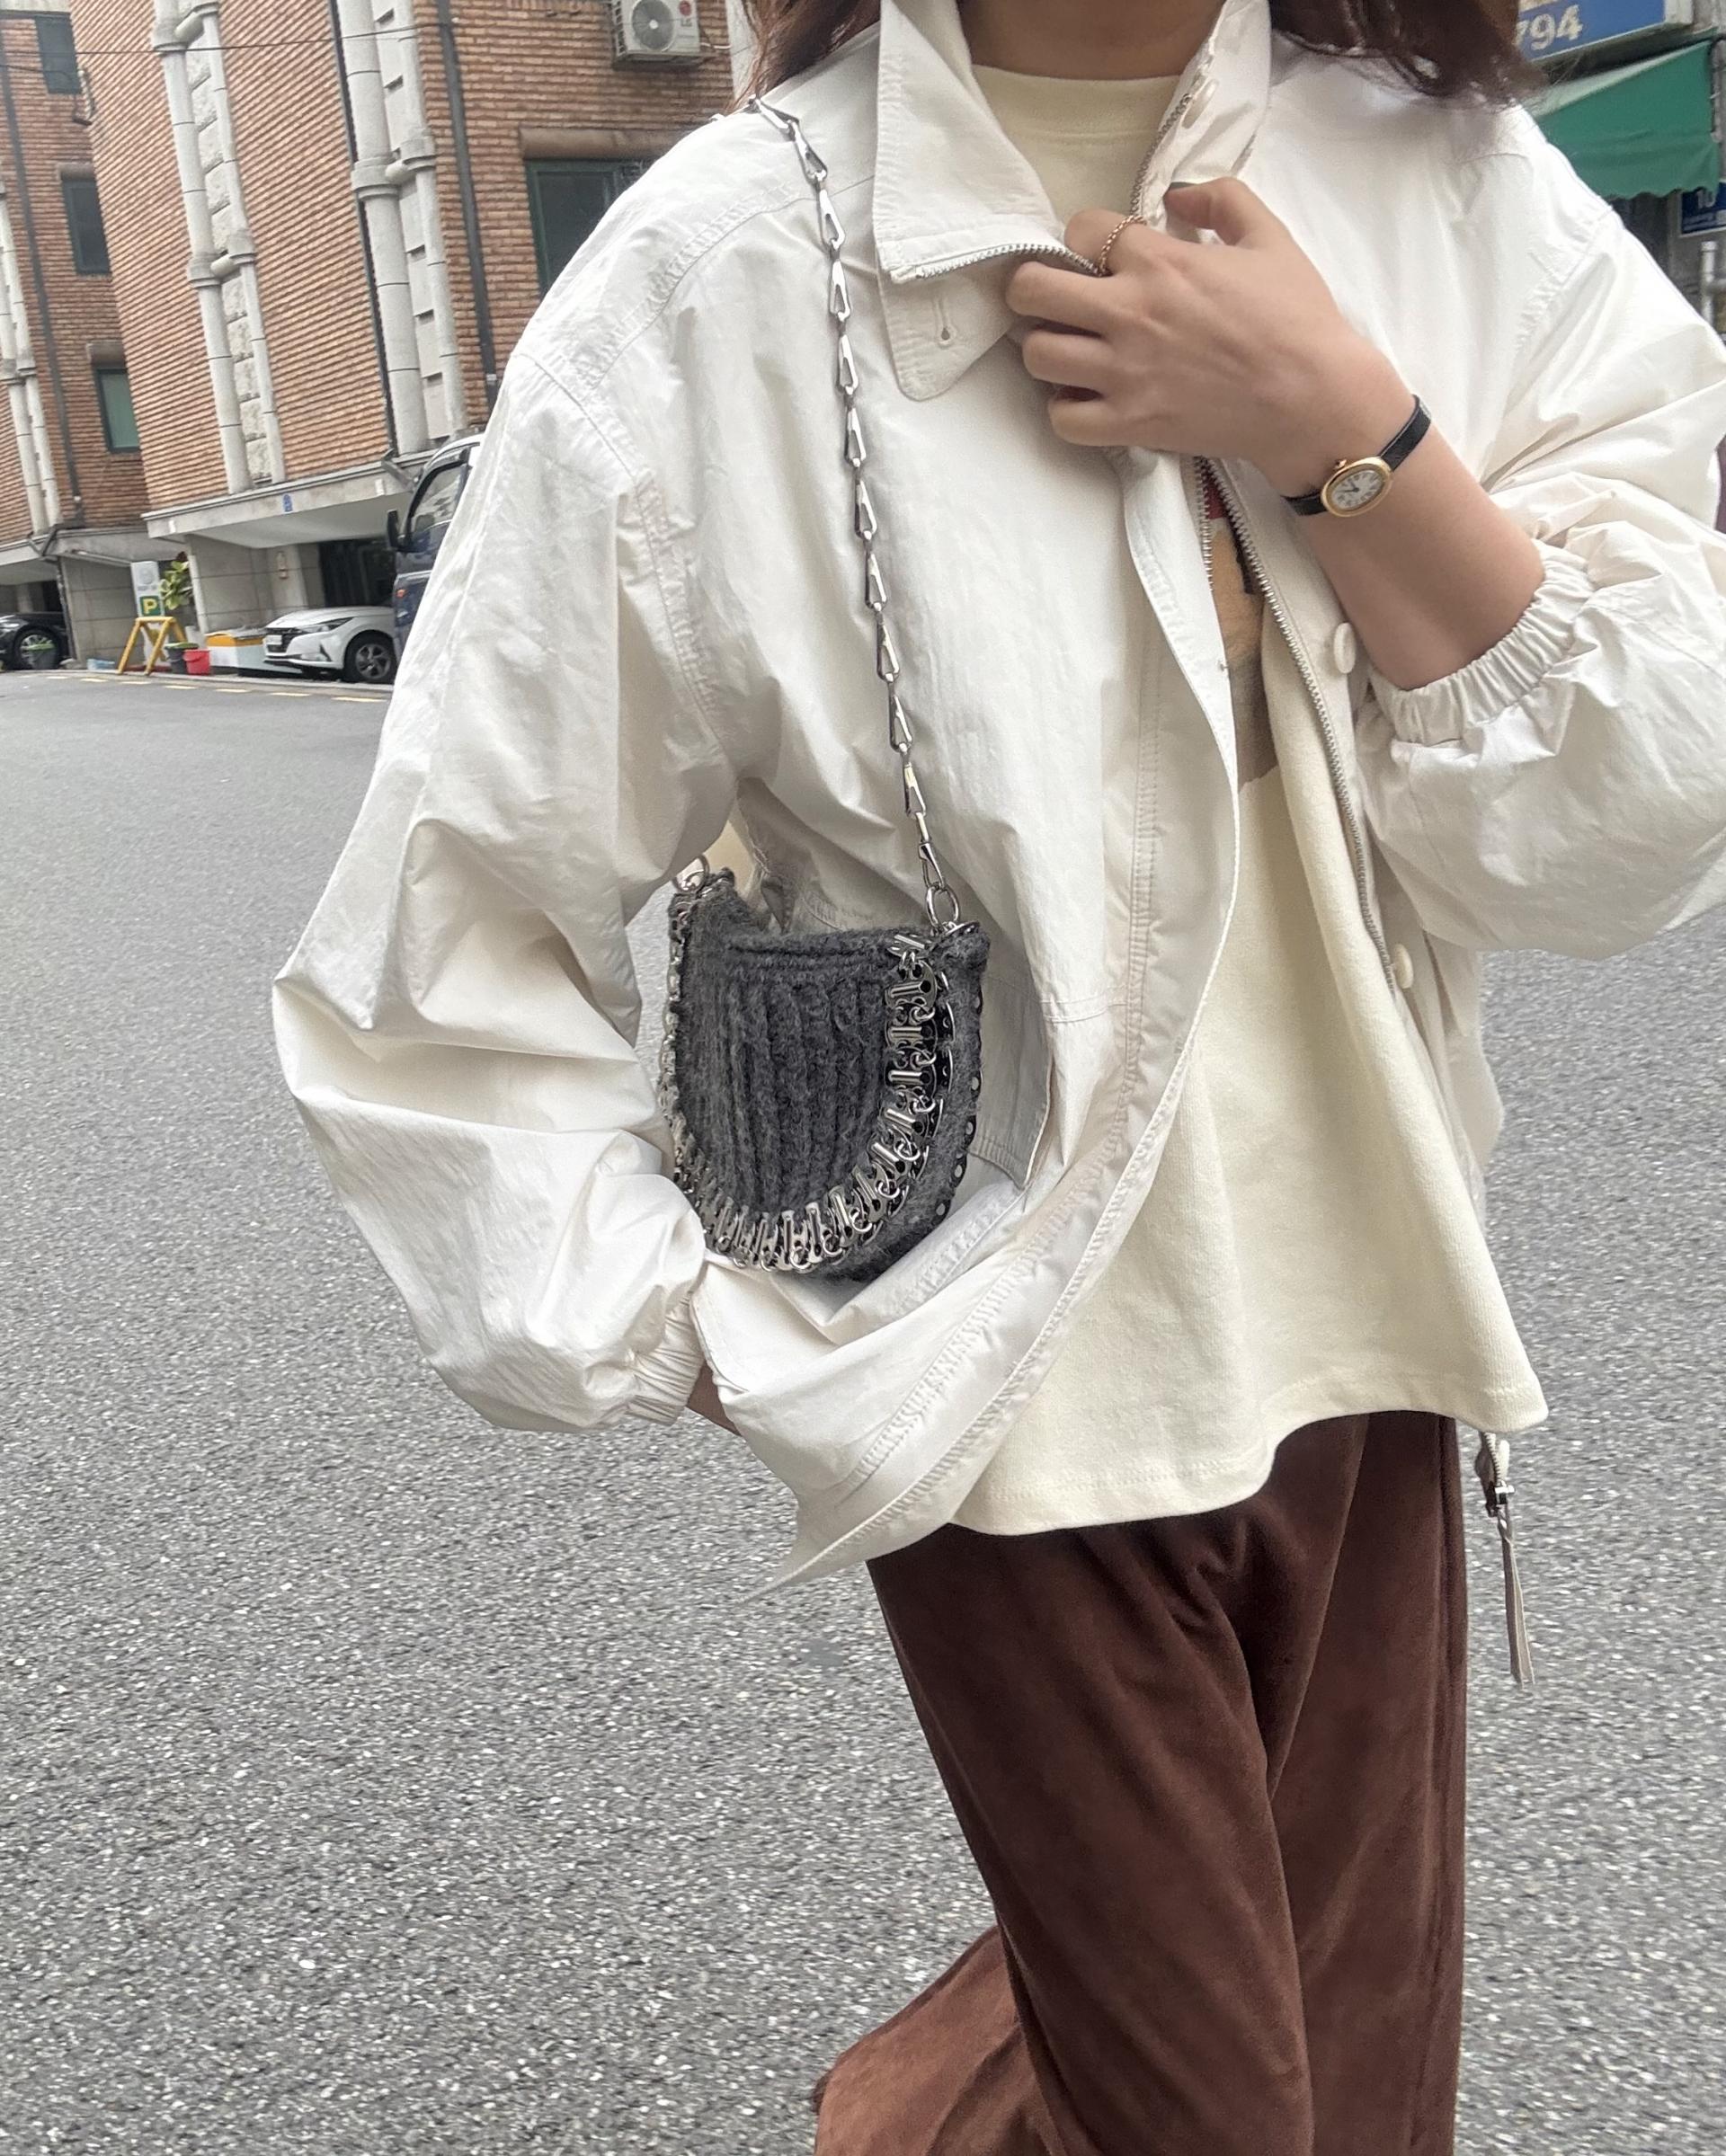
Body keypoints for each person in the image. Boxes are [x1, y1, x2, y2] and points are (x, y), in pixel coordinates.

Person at [272, 0, 1726, 2144]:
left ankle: (931, 2103)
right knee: (1221, 2117)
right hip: (1002, 1376)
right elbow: (446, 938)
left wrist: (1346, 434)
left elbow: (1627, 817)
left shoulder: (1437, 183)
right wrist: (706, 1334)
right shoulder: (724, 269)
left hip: (1379, 1337)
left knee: (1358, 2102)